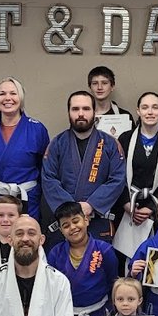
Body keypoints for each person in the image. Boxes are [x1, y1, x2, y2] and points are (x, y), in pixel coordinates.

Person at [41, 90, 126, 244]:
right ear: (68, 112)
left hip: (97, 220)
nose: (81, 114)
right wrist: (72, 209)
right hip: (65, 221)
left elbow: (117, 179)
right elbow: (49, 178)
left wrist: (91, 205)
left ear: (94, 112)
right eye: (75, 109)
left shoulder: (110, 144)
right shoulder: (56, 144)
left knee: (98, 259)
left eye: (86, 109)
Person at [0, 77, 50, 240]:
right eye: (2, 94)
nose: (7, 98)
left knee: (26, 243)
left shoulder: (37, 129)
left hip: (25, 198)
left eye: (13, 93)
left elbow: (43, 168)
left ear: (21, 97)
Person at [47, 201, 119, 316]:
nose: (72, 227)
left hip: (99, 315)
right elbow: (51, 289)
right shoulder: (55, 254)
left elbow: (112, 282)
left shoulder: (104, 250)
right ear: (61, 230)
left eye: (76, 221)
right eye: (66, 225)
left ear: (86, 220)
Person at [114, 91, 158, 258]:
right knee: (126, 259)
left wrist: (152, 207)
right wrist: (126, 203)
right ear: (138, 111)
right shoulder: (125, 139)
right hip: (127, 207)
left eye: (155, 107)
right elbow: (117, 174)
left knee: (156, 259)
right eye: (145, 107)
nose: (150, 112)